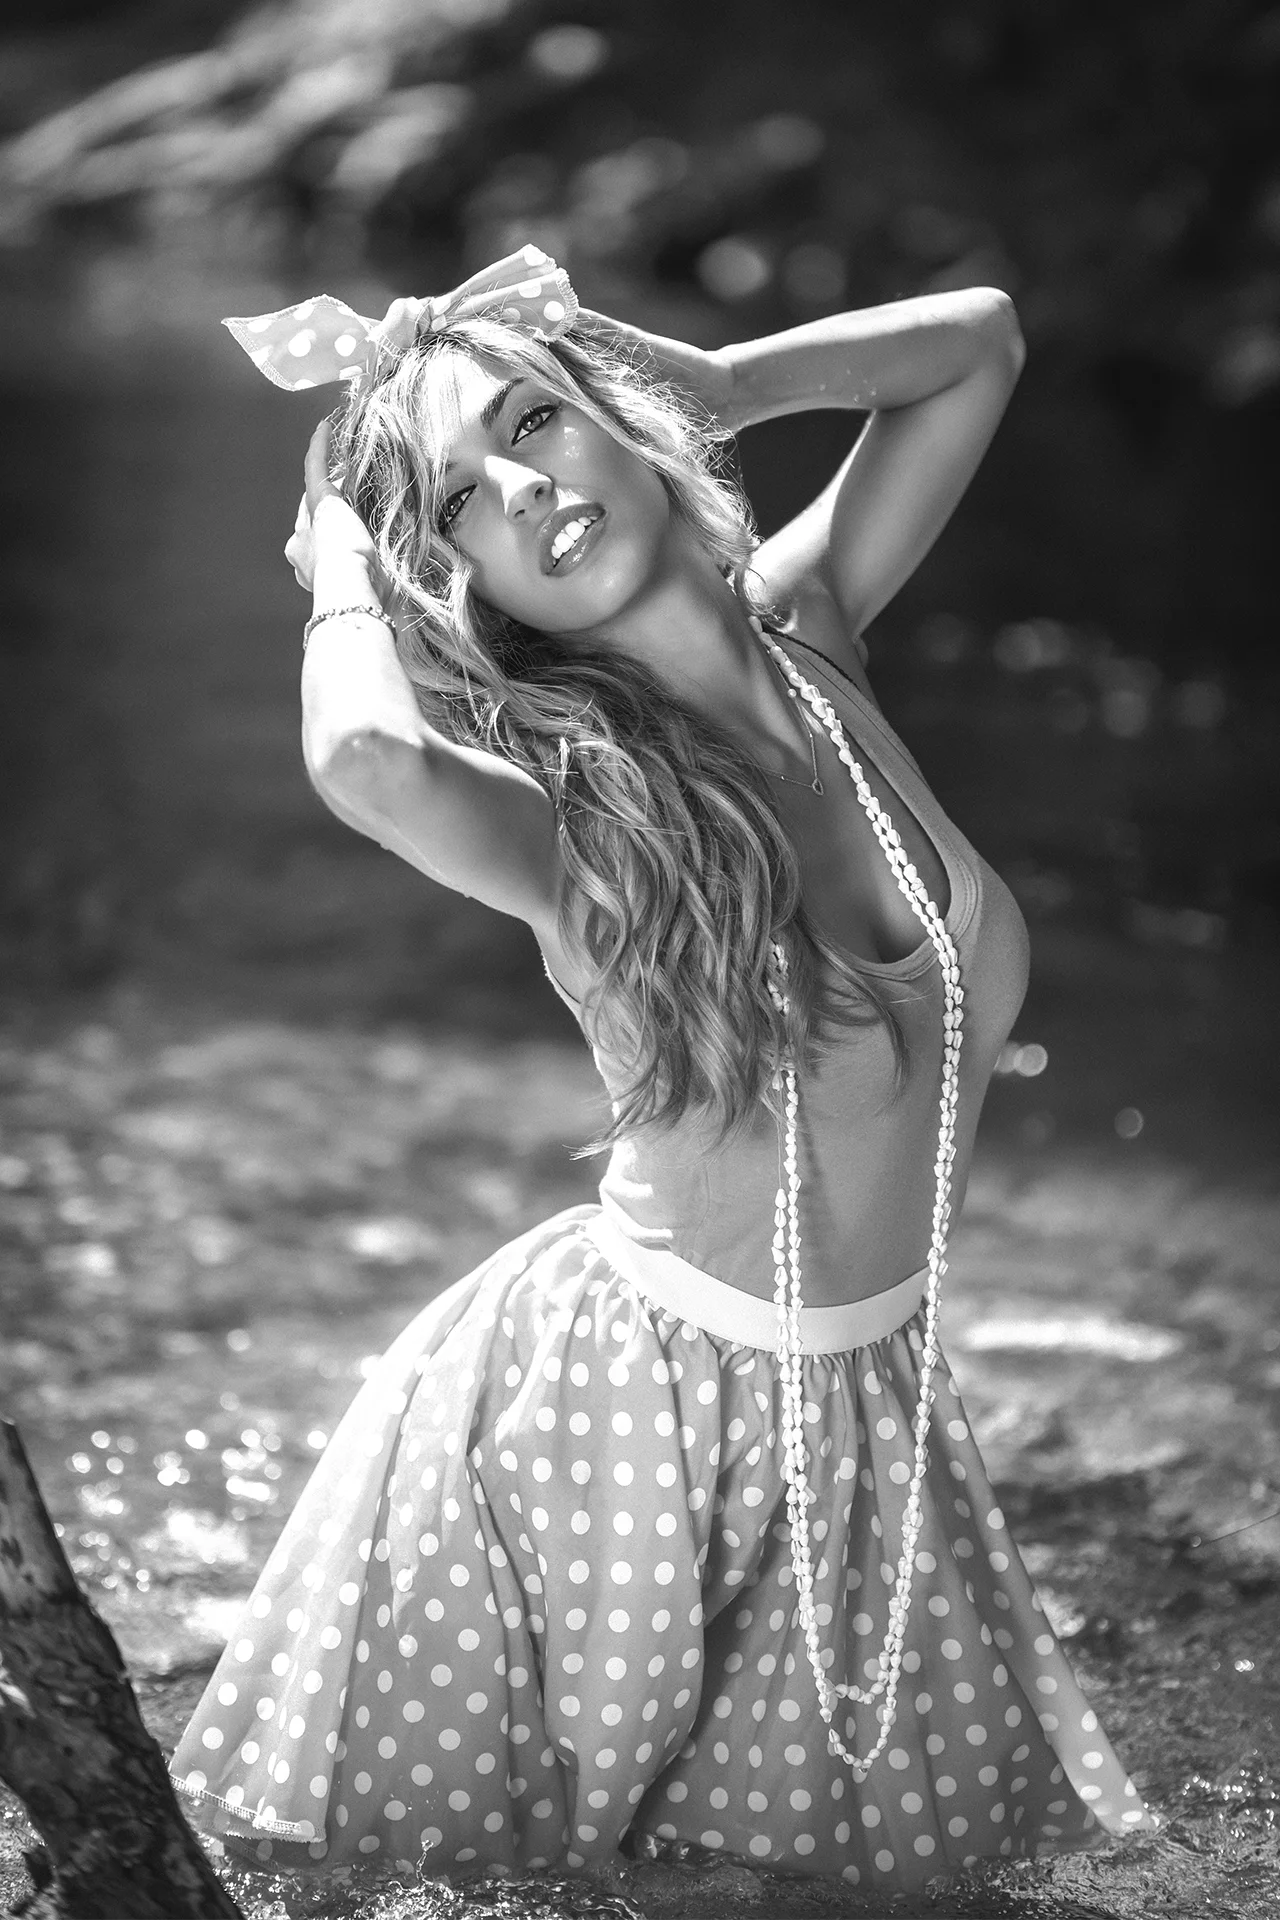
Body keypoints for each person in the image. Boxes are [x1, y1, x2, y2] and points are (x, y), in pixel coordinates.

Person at [170, 246, 1155, 1890]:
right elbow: (358, 755)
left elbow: (976, 341)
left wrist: (713, 376)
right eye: (464, 498)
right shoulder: (575, 819)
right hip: (627, 1417)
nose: (523, 489)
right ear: (463, 580)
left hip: (864, 1393)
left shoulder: (817, 641)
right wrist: (343, 545)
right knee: (567, 1879)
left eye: (537, 424)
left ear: (628, 425)